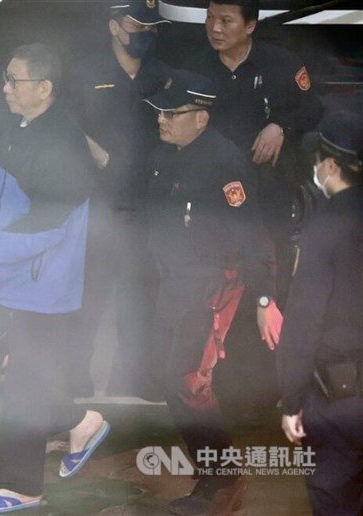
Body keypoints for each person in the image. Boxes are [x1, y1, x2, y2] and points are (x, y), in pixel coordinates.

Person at [0, 43, 110, 514]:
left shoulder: (59, 142)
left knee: (24, 384)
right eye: (6, 78)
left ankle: (22, 487)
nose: (5, 88)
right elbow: (8, 200)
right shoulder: (22, 127)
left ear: (43, 88)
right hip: (12, 276)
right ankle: (78, 421)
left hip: (44, 284)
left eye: (14, 81)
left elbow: (50, 225)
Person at [143, 69, 283, 515]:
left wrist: (264, 300)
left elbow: (254, 239)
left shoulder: (223, 164)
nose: (162, 119)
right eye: (160, 112)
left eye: (173, 112)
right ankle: (212, 475)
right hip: (176, 281)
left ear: (201, 118)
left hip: (210, 285)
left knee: (188, 382)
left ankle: (223, 484)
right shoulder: (171, 154)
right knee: (170, 381)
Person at [185, 0, 323, 422]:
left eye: (226, 20)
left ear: (250, 25)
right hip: (215, 208)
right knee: (218, 296)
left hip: (269, 202)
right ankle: (217, 390)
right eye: (210, 18)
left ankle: (271, 393)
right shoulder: (194, 67)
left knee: (268, 294)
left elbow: (311, 107)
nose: (215, 28)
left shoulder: (280, 64)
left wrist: (281, 125)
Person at [63, 0, 171, 399]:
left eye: (151, 27)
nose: (145, 33)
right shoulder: (85, 71)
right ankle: (75, 375)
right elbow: (66, 124)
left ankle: (140, 378)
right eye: (136, 25)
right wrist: (97, 155)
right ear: (113, 26)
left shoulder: (163, 76)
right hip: (98, 202)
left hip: (146, 203)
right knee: (88, 293)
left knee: (141, 295)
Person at [277, 110, 363, 516]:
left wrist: (292, 401)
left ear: (330, 166)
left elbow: (303, 326)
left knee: (333, 493)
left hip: (340, 400)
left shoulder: (323, 231)